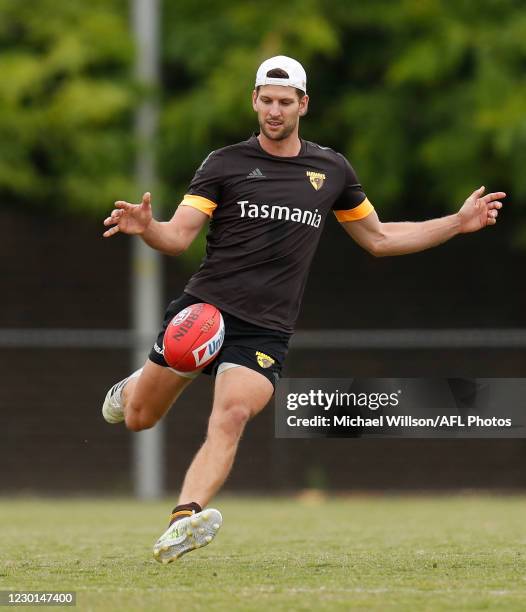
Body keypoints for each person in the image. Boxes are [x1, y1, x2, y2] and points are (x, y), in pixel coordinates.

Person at [101, 56, 505, 563]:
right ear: (254, 100)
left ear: (303, 104)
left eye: (285, 102)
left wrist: (456, 222)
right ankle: (134, 385)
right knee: (139, 418)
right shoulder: (223, 163)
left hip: (266, 329)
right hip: (205, 311)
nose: (274, 110)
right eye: (266, 100)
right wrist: (149, 227)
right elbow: (179, 236)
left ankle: (184, 517)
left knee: (231, 416)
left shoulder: (331, 169)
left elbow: (379, 239)